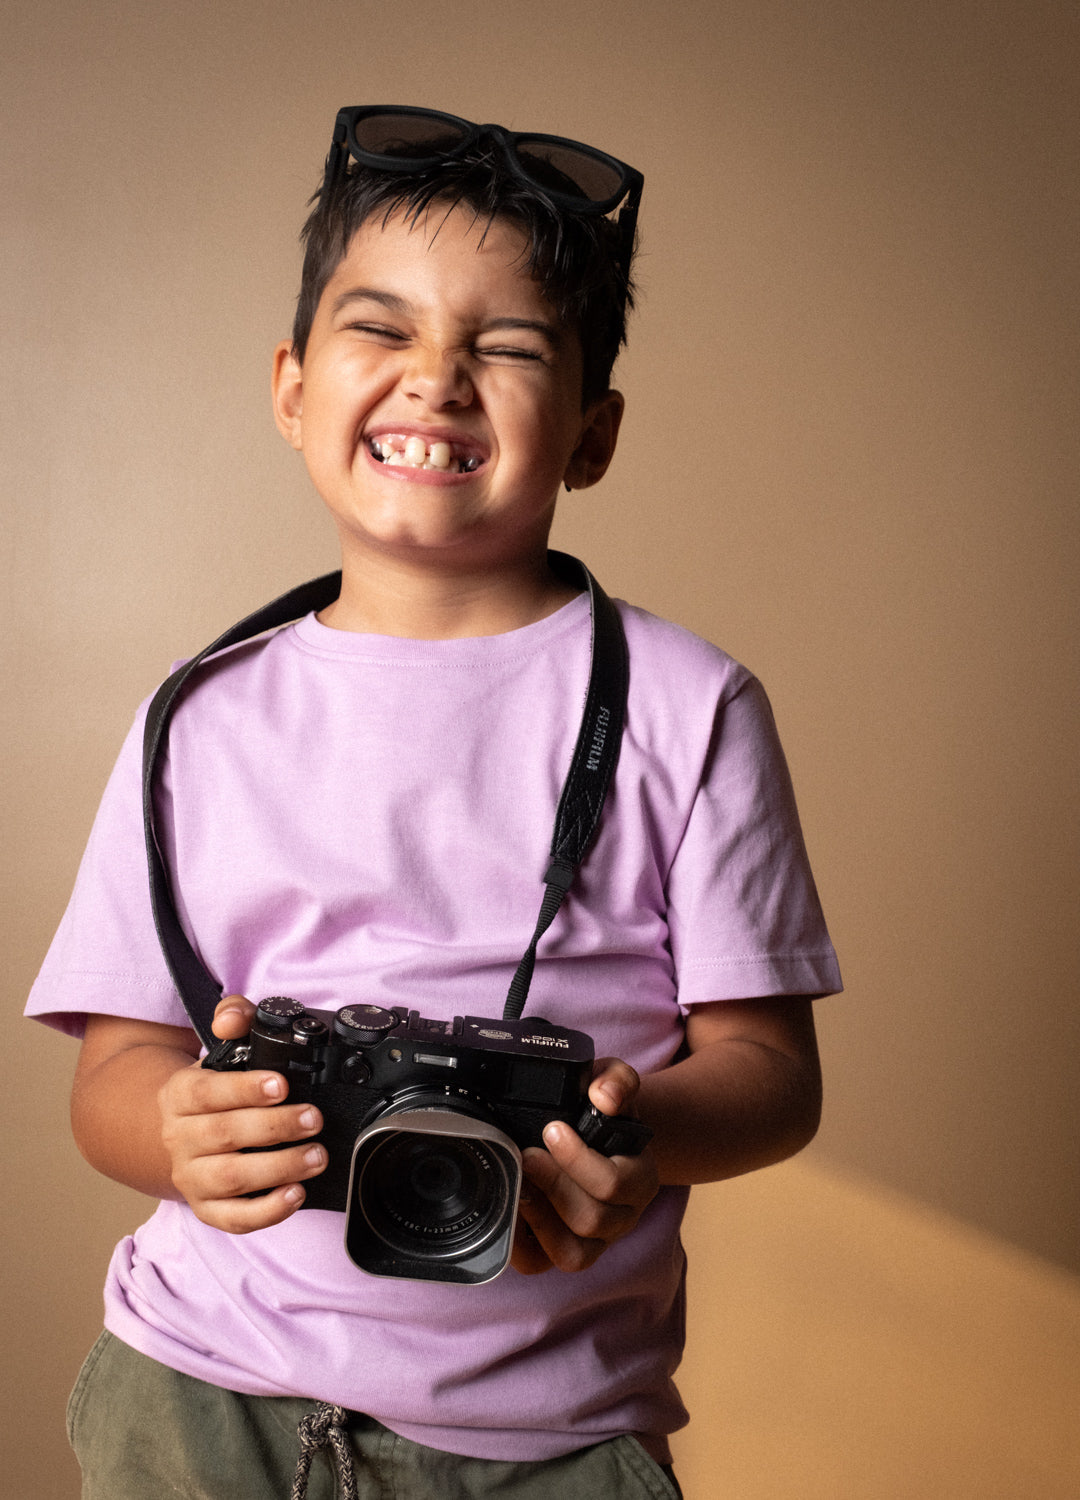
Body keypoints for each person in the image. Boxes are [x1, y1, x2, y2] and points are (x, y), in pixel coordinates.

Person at [28, 106, 841, 1499]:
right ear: (292, 390)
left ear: (592, 434)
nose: (437, 380)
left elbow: (771, 1076)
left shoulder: (689, 707)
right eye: (381, 329)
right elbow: (113, 1076)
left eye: (508, 347)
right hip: (199, 1392)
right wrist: (178, 1132)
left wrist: (626, 1133)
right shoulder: (195, 716)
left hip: (546, 1441)